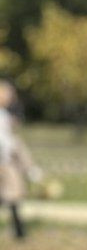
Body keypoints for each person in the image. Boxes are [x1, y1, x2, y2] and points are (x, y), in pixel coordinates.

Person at [0, 81, 41, 240]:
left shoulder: (5, 117)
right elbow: (10, 144)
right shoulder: (3, 119)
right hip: (5, 162)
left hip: (7, 162)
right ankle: (19, 231)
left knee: (12, 198)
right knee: (10, 197)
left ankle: (19, 230)